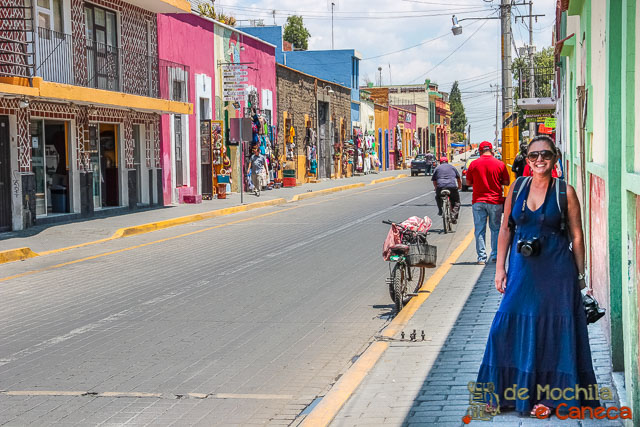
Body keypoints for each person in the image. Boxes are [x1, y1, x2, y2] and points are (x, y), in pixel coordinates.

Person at [476, 135, 599, 417]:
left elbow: (577, 237)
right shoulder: (517, 188)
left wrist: (580, 278)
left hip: (557, 273)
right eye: (534, 156)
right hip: (522, 271)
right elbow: (506, 228)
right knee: (502, 328)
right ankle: (510, 395)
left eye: (545, 155)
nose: (539, 160)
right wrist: (500, 268)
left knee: (554, 334)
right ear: (526, 160)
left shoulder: (564, 192)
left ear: (555, 158)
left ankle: (550, 400)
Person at [465, 141, 510, 264]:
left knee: (479, 229)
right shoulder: (500, 164)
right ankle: (495, 255)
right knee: (495, 229)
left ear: (480, 151)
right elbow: (506, 182)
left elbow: (468, 183)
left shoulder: (473, 164)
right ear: (491, 150)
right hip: (495, 201)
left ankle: (481, 258)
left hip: (478, 201)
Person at [431, 156, 461, 223]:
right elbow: (458, 178)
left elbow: (434, 180)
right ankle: (453, 214)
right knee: (457, 202)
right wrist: (459, 186)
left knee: (438, 197)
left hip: (440, 187)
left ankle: (440, 210)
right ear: (447, 162)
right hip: (452, 186)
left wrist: (436, 188)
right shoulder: (452, 167)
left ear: (440, 162)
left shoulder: (437, 168)